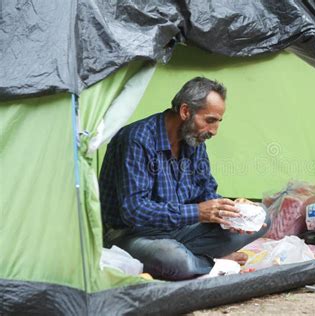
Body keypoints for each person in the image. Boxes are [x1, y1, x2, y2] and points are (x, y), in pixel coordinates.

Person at [99, 77, 270, 280]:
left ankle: (198, 261)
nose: (214, 131)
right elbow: (134, 211)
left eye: (218, 122)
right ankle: (213, 262)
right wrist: (197, 212)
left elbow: (205, 191)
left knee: (262, 216)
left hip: (178, 230)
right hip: (132, 235)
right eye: (210, 120)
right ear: (185, 112)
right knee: (176, 260)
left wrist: (230, 211)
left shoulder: (194, 141)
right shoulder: (136, 140)